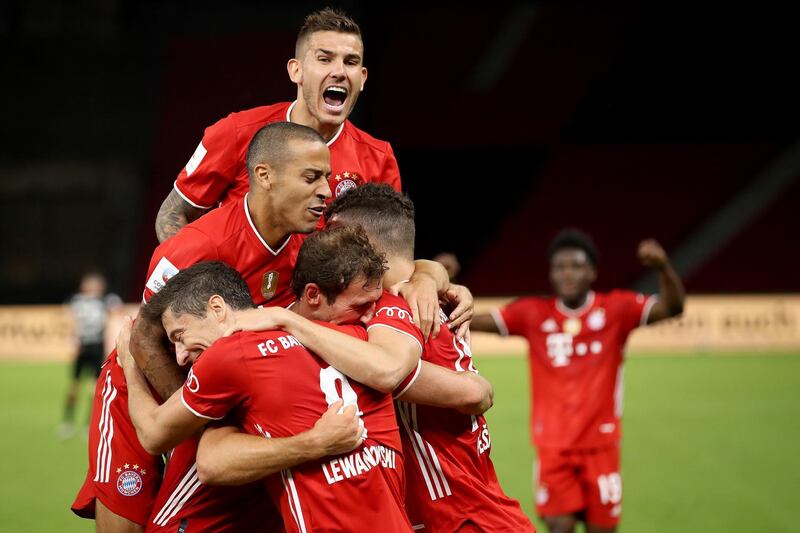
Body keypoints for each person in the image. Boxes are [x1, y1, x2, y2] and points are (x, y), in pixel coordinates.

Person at [73, 123, 448, 531]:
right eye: (312, 178)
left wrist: (430, 274)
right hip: (149, 389)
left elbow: (391, 259)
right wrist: (208, 418)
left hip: (223, 389)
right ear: (265, 177)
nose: (326, 190)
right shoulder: (199, 244)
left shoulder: (312, 241)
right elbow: (145, 339)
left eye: (326, 176)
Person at [203, 184, 534, 532]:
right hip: (468, 509)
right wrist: (430, 272)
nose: (326, 244)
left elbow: (470, 392)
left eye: (333, 235)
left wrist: (289, 321)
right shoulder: (416, 296)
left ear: (358, 240)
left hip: (460, 517)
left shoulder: (395, 309)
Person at [119, 248, 413, 531]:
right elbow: (395, 371)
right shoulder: (357, 337)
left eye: (181, 335)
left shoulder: (230, 355)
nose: (181, 355)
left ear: (217, 308)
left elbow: (155, 435)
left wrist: (130, 364)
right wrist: (428, 273)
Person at [471, 229, 685, 533]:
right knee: (560, 527)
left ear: (592, 272)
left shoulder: (617, 309)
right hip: (553, 447)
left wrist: (663, 267)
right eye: (560, 267)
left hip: (601, 446)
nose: (567, 274)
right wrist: (443, 291)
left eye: (576, 266)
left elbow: (672, 308)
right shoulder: (532, 313)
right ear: (551, 273)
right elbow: (474, 320)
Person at [155, 7, 401, 243]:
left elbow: (390, 252)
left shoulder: (379, 159)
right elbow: (172, 214)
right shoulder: (237, 131)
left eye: (350, 62)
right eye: (325, 59)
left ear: (362, 78)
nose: (339, 71)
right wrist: (205, 282)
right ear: (296, 70)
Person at [59, 271, 122, 439]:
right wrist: (73, 339)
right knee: (75, 386)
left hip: (96, 347)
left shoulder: (103, 301)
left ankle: (88, 424)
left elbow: (116, 309)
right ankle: (68, 422)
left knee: (92, 389)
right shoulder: (79, 301)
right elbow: (70, 321)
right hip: (84, 348)